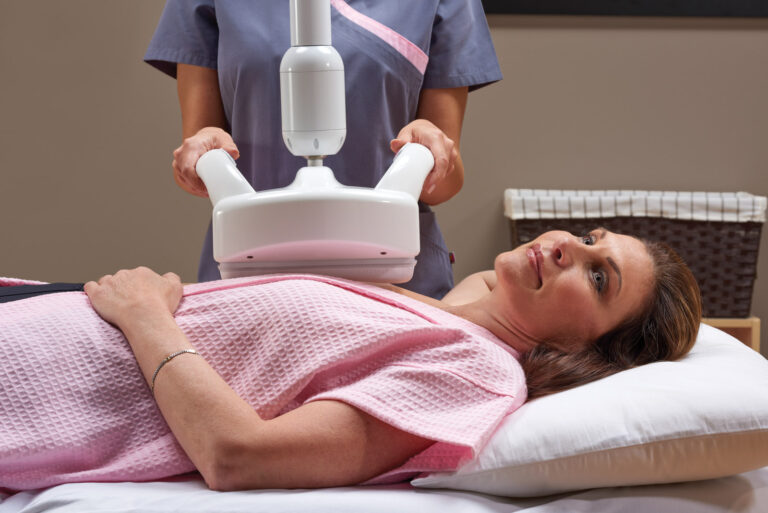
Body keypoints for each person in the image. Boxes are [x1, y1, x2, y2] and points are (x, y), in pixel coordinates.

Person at [0, 229, 701, 492]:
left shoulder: (481, 372)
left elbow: (240, 454)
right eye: (587, 237)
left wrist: (146, 316)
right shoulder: (455, 311)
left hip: (35, 389)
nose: (564, 247)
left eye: (599, 275)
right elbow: (483, 287)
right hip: (40, 320)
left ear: (589, 354)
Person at [143, 0, 503, 299]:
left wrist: (428, 150)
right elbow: (200, 142)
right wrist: (203, 153)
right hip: (252, 271)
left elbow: (446, 182)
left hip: (392, 279)